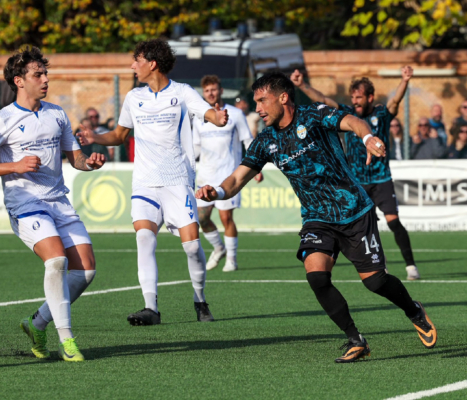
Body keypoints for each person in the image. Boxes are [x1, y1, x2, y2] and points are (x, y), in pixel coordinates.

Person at [196, 72, 437, 363]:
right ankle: (355, 340)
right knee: (317, 277)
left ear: (283, 98)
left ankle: (414, 310)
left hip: (353, 210)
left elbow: (352, 121)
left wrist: (367, 137)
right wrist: (217, 192)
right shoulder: (266, 140)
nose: (257, 108)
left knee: (375, 282)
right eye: (256, 102)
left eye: (262, 101)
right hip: (317, 218)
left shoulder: (313, 115)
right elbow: (236, 179)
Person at [77, 39, 228, 325]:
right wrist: (95, 137)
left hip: (177, 182)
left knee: (191, 247)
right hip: (145, 183)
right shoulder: (134, 97)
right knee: (144, 237)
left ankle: (200, 300)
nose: (132, 66)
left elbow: (208, 113)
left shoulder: (182, 93)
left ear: (152, 64)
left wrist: (218, 118)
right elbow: (120, 135)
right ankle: (151, 308)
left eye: (137, 60)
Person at [0, 47, 106, 362]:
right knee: (57, 260)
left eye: (45, 73)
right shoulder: (2, 119)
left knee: (86, 271)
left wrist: (90, 163)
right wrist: (14, 166)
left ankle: (37, 323)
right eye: (38, 74)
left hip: (59, 202)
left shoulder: (57, 114)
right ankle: (67, 340)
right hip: (26, 204)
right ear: (19, 81)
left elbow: (76, 159)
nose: (45, 79)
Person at [291, 66, 420, 281]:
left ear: (370, 98)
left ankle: (411, 266)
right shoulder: (347, 113)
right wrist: (302, 85)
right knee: (368, 226)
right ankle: (380, 266)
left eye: (359, 97)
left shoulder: (381, 114)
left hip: (381, 179)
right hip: (357, 183)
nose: (355, 101)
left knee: (393, 221)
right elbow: (323, 99)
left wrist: (404, 81)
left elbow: (395, 102)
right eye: (353, 97)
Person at [193, 75, 261, 272]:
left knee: (226, 218)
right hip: (205, 175)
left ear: (221, 91)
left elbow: (248, 141)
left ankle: (231, 258)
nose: (211, 93)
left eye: (214, 89)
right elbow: (196, 147)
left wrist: (256, 167)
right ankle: (219, 248)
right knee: (201, 218)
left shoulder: (235, 114)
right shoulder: (199, 117)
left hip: (228, 176)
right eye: (207, 91)